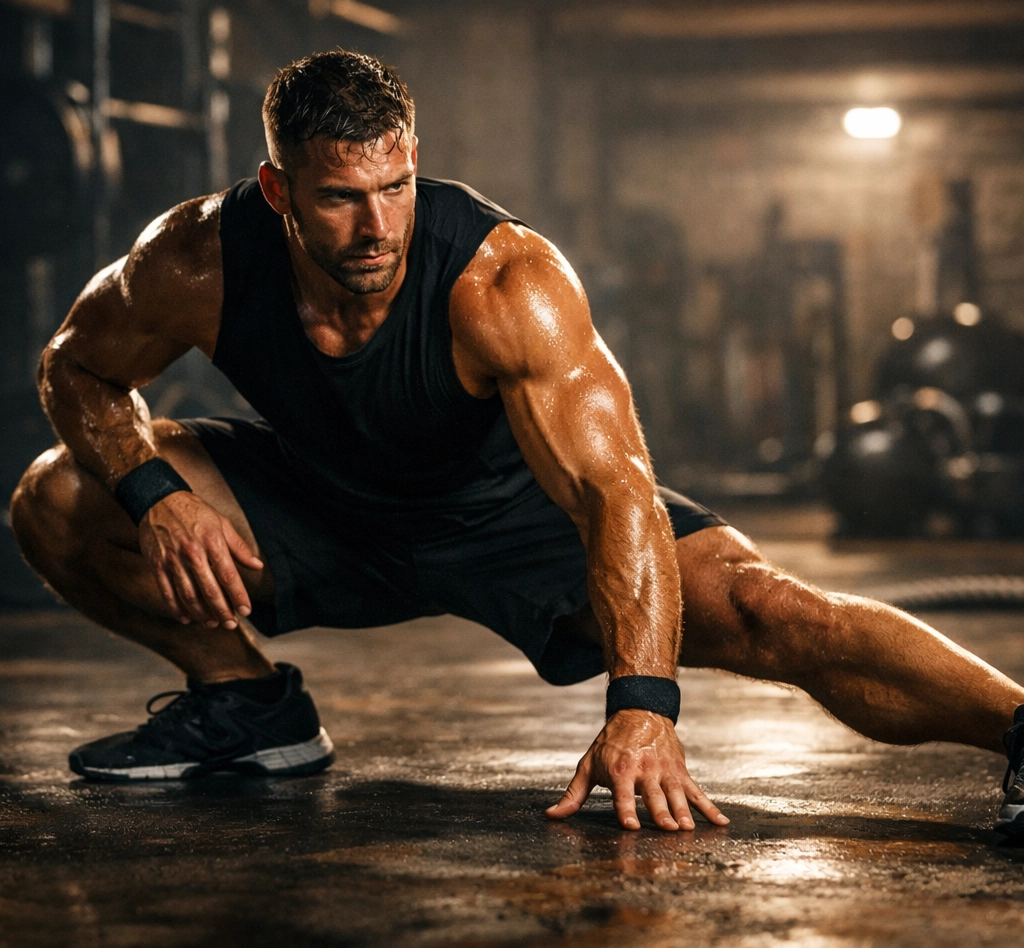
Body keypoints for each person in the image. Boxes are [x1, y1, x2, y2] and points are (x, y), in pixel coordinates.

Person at [10, 50, 1024, 836]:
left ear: (415, 165)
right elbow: (74, 367)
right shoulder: (199, 256)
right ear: (278, 191)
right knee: (59, 497)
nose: (376, 226)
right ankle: (247, 702)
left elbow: (613, 491)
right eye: (339, 197)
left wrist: (644, 705)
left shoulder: (504, 280)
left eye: (395, 187)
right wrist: (157, 494)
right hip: (323, 509)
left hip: (514, 519)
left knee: (770, 607)